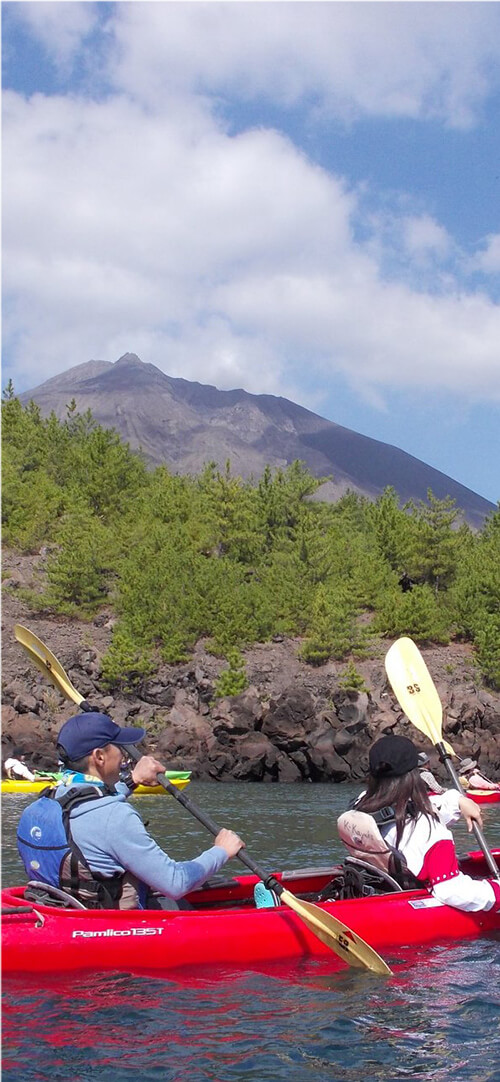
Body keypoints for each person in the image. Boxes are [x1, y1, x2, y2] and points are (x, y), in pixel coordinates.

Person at [17, 712, 244, 910]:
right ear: (99, 756)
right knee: (177, 901)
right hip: (114, 928)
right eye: (119, 747)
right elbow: (176, 883)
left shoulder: (39, 806)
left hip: (62, 913)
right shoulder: (116, 816)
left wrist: (133, 779)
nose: (125, 755)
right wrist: (221, 851)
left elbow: (88, 806)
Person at [337, 734, 500, 914]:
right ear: (416, 775)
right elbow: (452, 892)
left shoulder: (361, 803)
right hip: (405, 904)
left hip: (373, 887)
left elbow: (418, 808)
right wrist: (495, 890)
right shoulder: (428, 829)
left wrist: (458, 800)